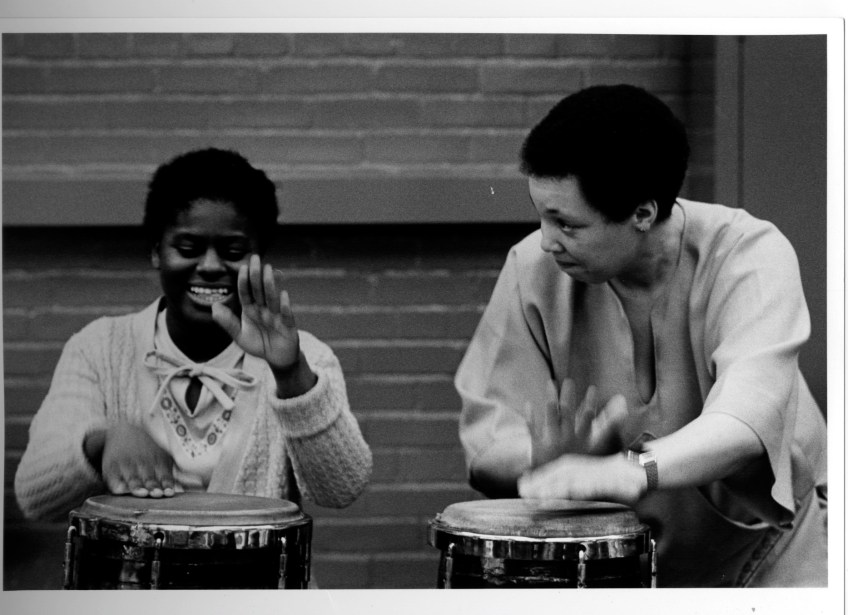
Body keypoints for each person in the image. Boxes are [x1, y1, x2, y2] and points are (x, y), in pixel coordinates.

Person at [454, 84, 827, 587]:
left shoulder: (749, 254)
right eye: (541, 214)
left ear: (643, 214)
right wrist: (544, 460)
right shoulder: (531, 268)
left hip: (780, 555)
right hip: (633, 573)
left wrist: (631, 469)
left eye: (566, 223)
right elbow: (486, 447)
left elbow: (744, 422)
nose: (547, 240)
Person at [15, 148, 373, 521]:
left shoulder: (306, 357)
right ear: (157, 251)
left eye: (233, 251)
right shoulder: (99, 349)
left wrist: (291, 376)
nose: (211, 266)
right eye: (188, 248)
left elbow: (342, 489)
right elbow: (35, 497)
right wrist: (103, 441)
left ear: (258, 256)